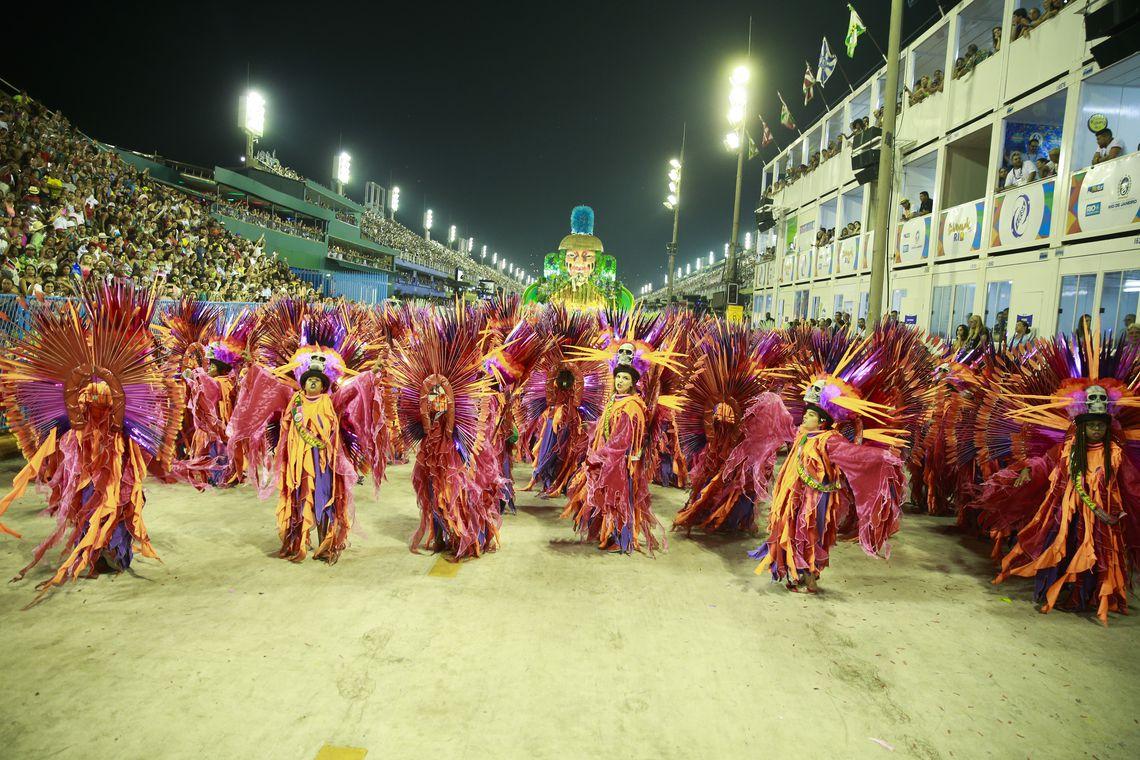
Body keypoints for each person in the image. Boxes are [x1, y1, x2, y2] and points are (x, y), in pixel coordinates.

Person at [0, 282, 185, 604]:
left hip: (115, 448)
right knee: (89, 497)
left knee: (118, 496)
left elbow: (153, 400)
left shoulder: (128, 361)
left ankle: (110, 550)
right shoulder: (97, 361)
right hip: (86, 448)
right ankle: (96, 550)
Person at [992, 337, 1140, 625]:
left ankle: (1084, 595)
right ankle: (1059, 588)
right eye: (1091, 423)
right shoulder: (1068, 447)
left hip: (1103, 519)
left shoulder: (1116, 453)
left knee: (1097, 554)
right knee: (1064, 546)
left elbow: (1130, 484)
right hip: (1066, 513)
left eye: (1100, 423)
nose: (1096, 429)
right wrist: (1027, 470)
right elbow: (1045, 461)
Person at [749, 331, 909, 593]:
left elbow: (854, 456)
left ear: (822, 420)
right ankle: (798, 570)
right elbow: (782, 426)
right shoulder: (802, 434)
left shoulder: (829, 440)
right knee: (792, 529)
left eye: (811, 415)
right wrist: (769, 405)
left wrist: (882, 456)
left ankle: (810, 574)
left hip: (817, 498)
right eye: (806, 414)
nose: (806, 418)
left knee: (812, 532)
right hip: (795, 495)